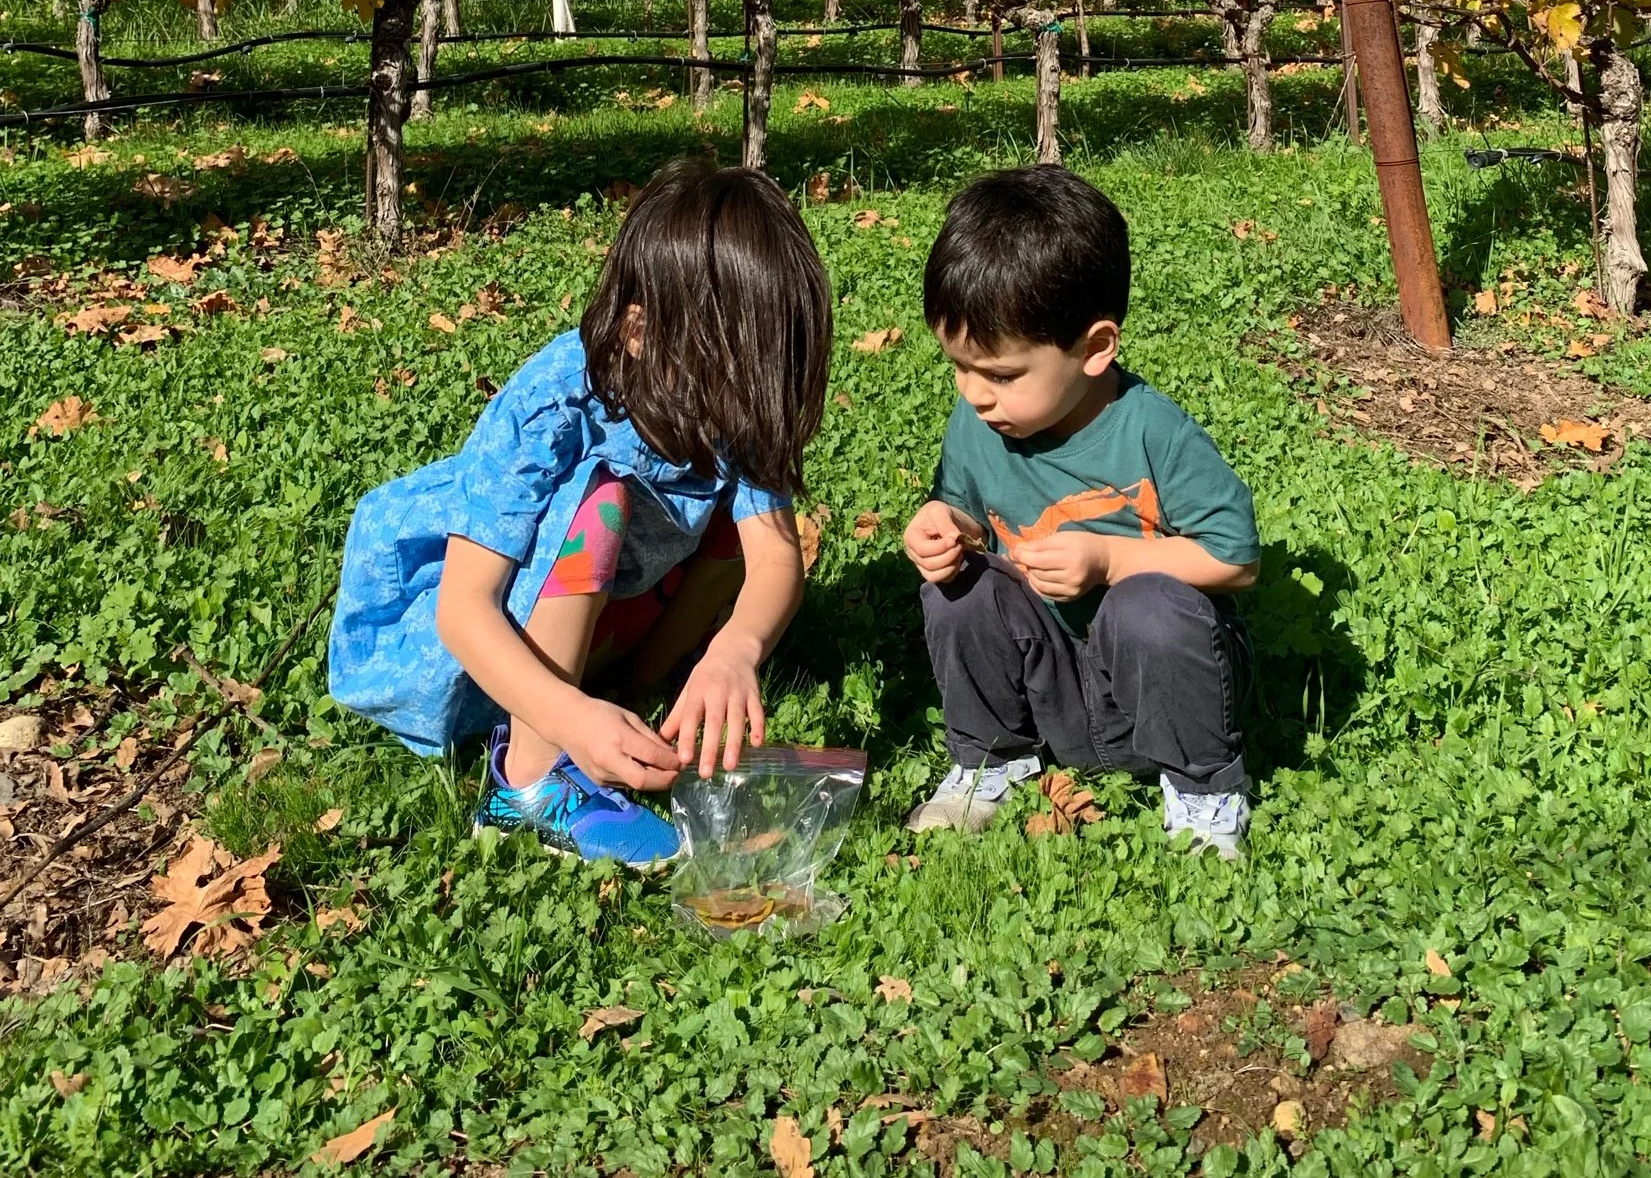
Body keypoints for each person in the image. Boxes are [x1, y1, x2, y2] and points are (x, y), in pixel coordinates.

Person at [329, 157, 832, 869]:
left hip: (599, 617)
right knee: (602, 497)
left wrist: (735, 651)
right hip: (461, 649)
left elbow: (776, 557)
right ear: (637, 332)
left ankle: (638, 696)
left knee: (729, 523)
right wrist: (568, 718)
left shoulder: (729, 398)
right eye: (733, 374)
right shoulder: (558, 402)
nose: (747, 404)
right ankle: (526, 784)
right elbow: (463, 609)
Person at [902, 166, 1259, 856]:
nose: (974, 393)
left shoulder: (1152, 431)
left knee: (1147, 605)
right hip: (1053, 680)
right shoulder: (978, 423)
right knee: (960, 590)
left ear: (1094, 349)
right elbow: (965, 512)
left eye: (1001, 374)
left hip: (1159, 683)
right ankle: (990, 760)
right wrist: (947, 528)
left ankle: (1203, 790)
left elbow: (1235, 559)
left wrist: (1110, 560)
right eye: (958, 366)